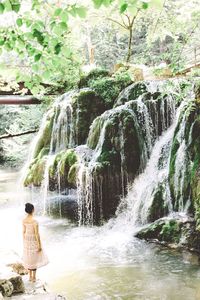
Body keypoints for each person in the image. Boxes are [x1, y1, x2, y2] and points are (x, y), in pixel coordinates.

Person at [22, 203, 49, 282]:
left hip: (27, 239)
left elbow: (23, 231)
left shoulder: (24, 220)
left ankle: (30, 276)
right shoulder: (35, 221)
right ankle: (34, 277)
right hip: (33, 239)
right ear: (33, 210)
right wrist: (39, 245)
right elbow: (37, 234)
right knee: (34, 257)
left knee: (29, 256)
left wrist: (24, 240)